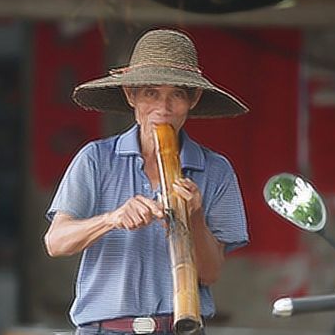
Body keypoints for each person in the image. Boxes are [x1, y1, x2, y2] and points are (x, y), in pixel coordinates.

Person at [43, 29, 250, 334]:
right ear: (131, 95)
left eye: (176, 95)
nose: (163, 109)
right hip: (105, 329)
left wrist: (194, 217)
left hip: (179, 327)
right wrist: (112, 219)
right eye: (151, 93)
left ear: (193, 100)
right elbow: (56, 242)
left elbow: (209, 274)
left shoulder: (215, 169)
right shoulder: (96, 159)